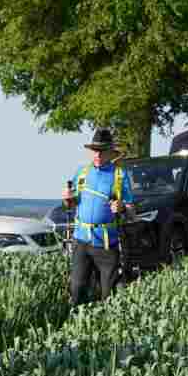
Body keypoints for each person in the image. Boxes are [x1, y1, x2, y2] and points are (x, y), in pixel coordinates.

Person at [62, 126, 128, 308]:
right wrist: (68, 200)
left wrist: (122, 207)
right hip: (81, 241)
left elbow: (131, 210)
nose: (97, 154)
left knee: (109, 295)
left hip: (106, 244)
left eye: (102, 150)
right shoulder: (81, 173)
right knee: (77, 290)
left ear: (111, 152)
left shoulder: (119, 176)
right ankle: (77, 321)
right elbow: (71, 204)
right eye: (94, 150)